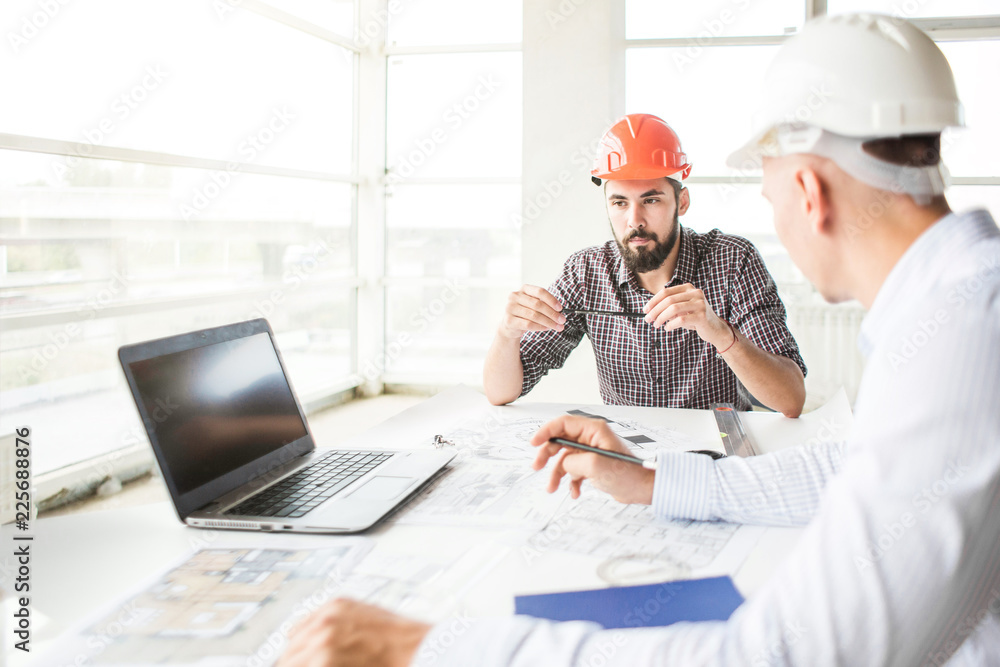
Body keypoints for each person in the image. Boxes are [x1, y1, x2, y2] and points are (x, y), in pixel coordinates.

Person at [279, 13, 1000, 666]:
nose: (768, 205)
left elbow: (781, 653)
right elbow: (839, 469)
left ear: (808, 191)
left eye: (768, 187)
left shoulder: (958, 341)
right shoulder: (956, 310)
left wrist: (435, 646)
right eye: (619, 200)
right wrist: (657, 481)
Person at [482, 113, 807, 417]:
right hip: (627, 460)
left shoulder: (733, 260)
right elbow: (501, 393)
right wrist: (506, 333)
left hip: (717, 453)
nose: (634, 220)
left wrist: (719, 332)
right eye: (620, 202)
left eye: (651, 200)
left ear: (681, 202)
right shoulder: (587, 272)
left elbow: (790, 400)